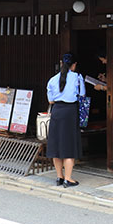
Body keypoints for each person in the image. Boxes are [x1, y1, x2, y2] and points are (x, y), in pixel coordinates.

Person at [46, 53, 85, 188]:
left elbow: (50, 100)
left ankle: (59, 177)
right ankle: (68, 178)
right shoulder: (77, 78)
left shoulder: (52, 80)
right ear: (74, 65)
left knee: (56, 144)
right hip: (70, 112)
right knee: (69, 144)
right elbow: (82, 95)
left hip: (57, 111)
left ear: (61, 63)